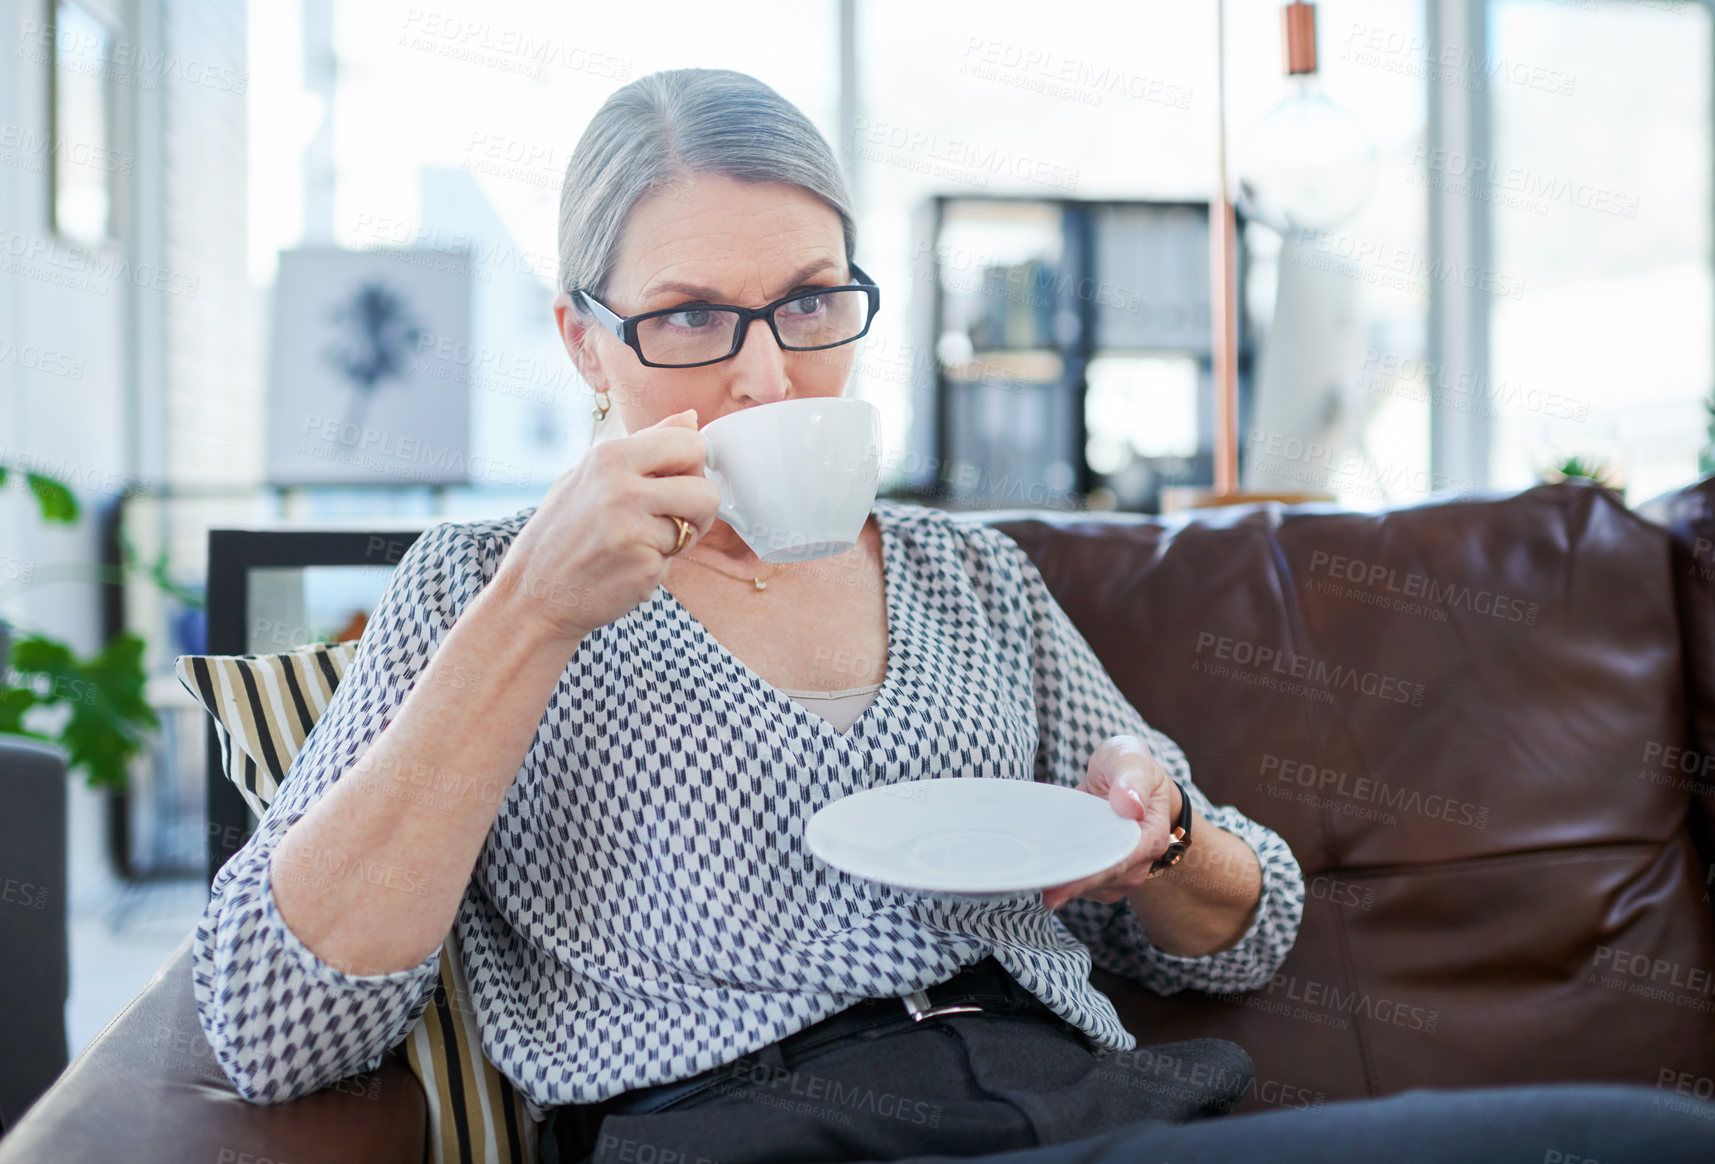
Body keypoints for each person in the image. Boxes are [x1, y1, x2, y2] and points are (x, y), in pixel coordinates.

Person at [191, 68, 1715, 1164]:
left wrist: (1164, 837)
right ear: (581, 340)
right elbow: (272, 1026)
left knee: (1630, 1139)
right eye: (689, 319)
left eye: (808, 301)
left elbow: (1248, 940)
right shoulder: (480, 589)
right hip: (745, 1138)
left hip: (1084, 1117)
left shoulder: (964, 575)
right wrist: (532, 620)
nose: (767, 375)